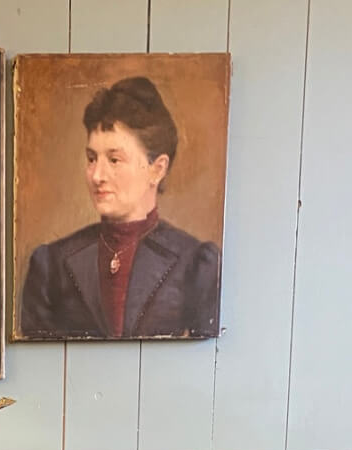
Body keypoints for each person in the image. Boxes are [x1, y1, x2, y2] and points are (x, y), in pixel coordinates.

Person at [18, 76, 221, 340]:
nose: (97, 175)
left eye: (114, 160)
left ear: (157, 169)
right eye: (92, 159)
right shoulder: (50, 265)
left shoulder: (195, 264)